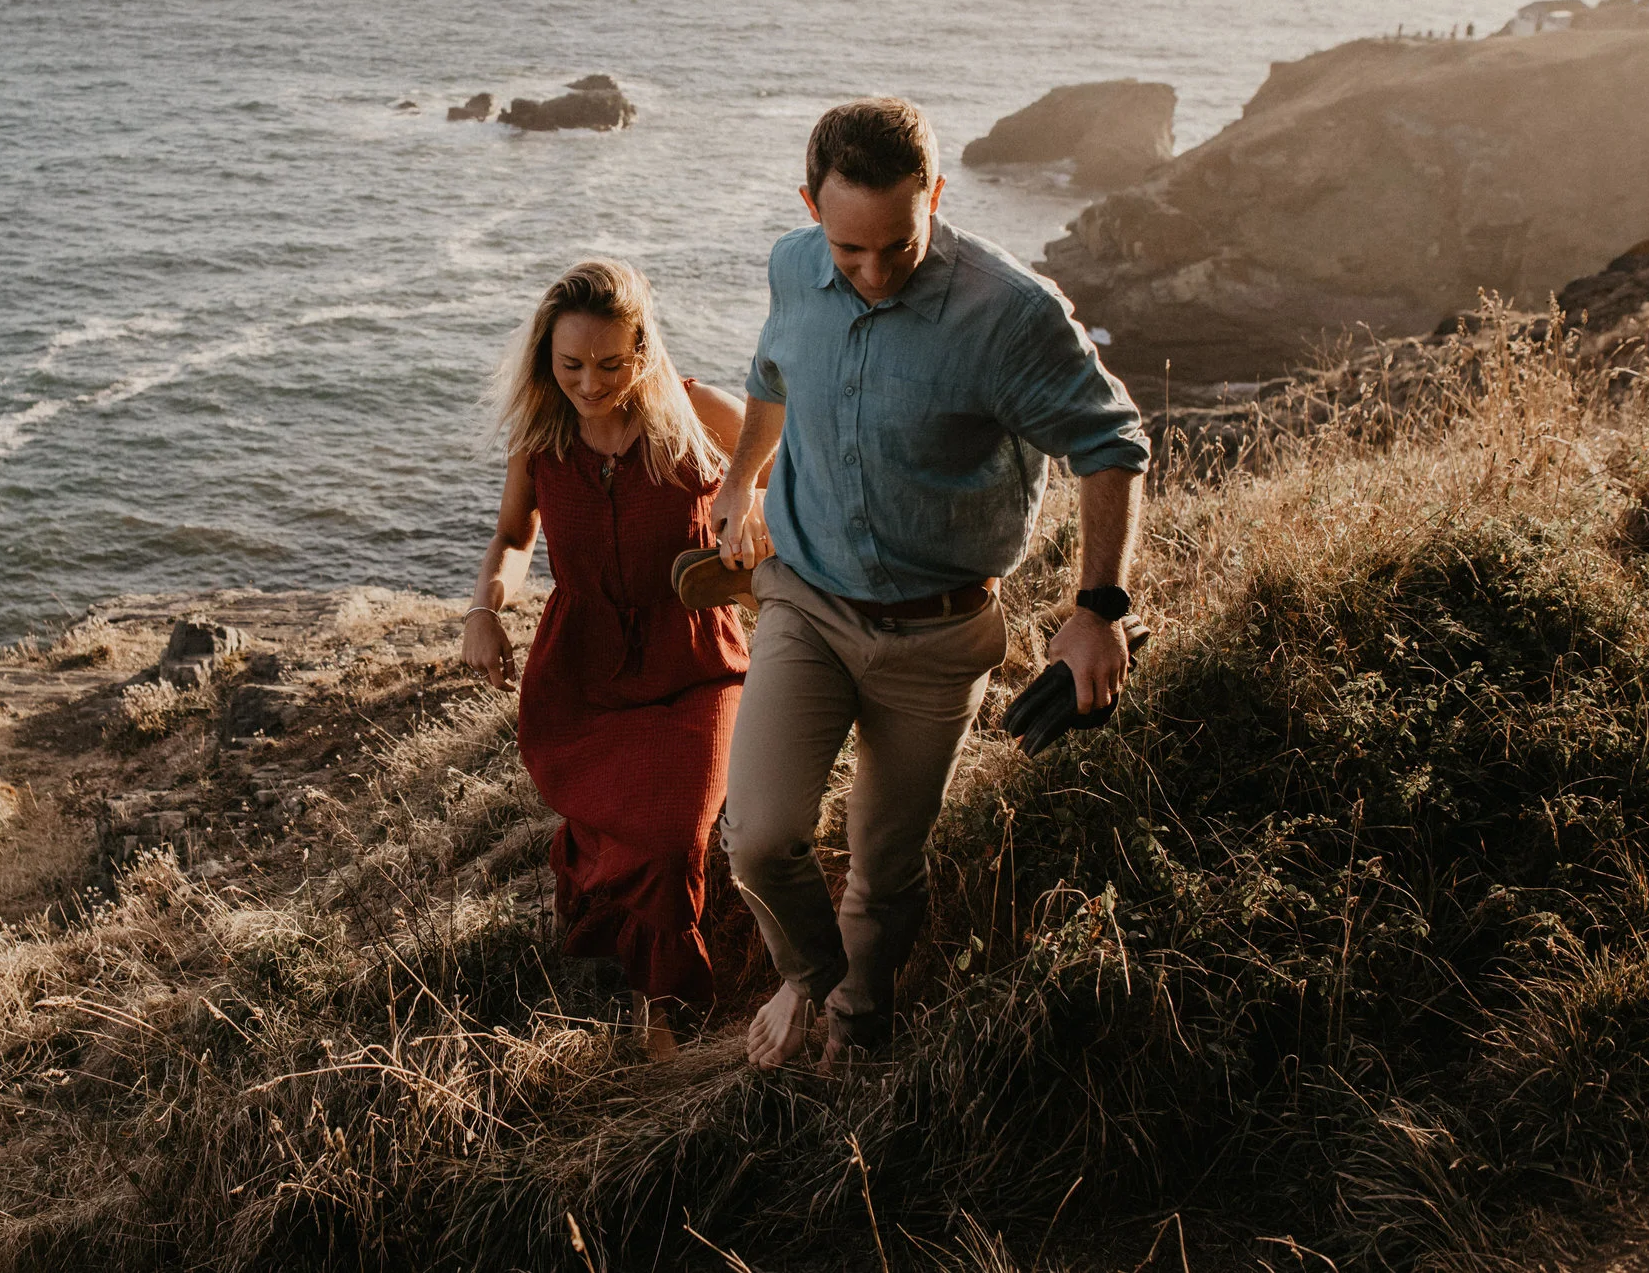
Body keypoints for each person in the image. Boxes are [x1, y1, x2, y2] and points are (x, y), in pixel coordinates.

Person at [703, 96, 1149, 1071]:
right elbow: (772, 371)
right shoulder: (791, 263)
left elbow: (1110, 442)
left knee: (883, 869)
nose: (866, 272)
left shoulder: (1009, 313)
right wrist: (741, 479)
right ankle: (807, 979)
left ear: (936, 196)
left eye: (893, 246)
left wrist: (1097, 610)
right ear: (807, 204)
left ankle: (860, 1022)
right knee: (759, 837)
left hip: (935, 637)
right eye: (846, 249)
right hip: (804, 602)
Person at [463, 260, 753, 1060]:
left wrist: (753, 500)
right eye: (571, 365)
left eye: (610, 364)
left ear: (643, 351)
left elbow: (787, 448)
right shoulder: (543, 437)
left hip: (695, 662)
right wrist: (486, 608)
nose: (590, 383)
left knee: (670, 834)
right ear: (545, 361)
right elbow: (517, 536)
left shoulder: (693, 411)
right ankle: (637, 991)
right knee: (628, 832)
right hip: (583, 674)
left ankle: (662, 1015)